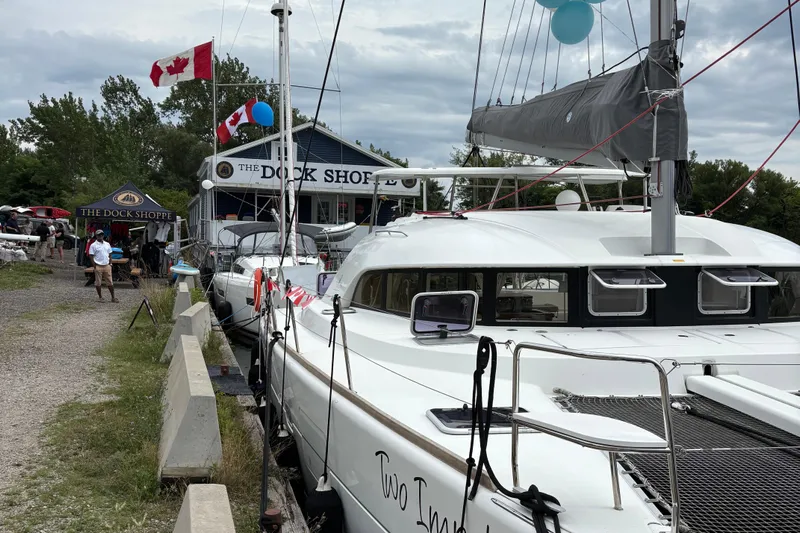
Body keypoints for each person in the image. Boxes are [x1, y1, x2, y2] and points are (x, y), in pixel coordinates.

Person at [89, 229, 118, 302]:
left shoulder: (107, 244)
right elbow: (91, 256)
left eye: (101, 235)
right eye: (99, 235)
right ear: (96, 236)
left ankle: (113, 297)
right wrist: (94, 266)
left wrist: (110, 263)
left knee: (110, 282)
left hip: (107, 265)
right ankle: (100, 297)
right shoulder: (93, 245)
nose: (100, 236)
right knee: (98, 282)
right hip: (98, 265)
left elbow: (110, 254)